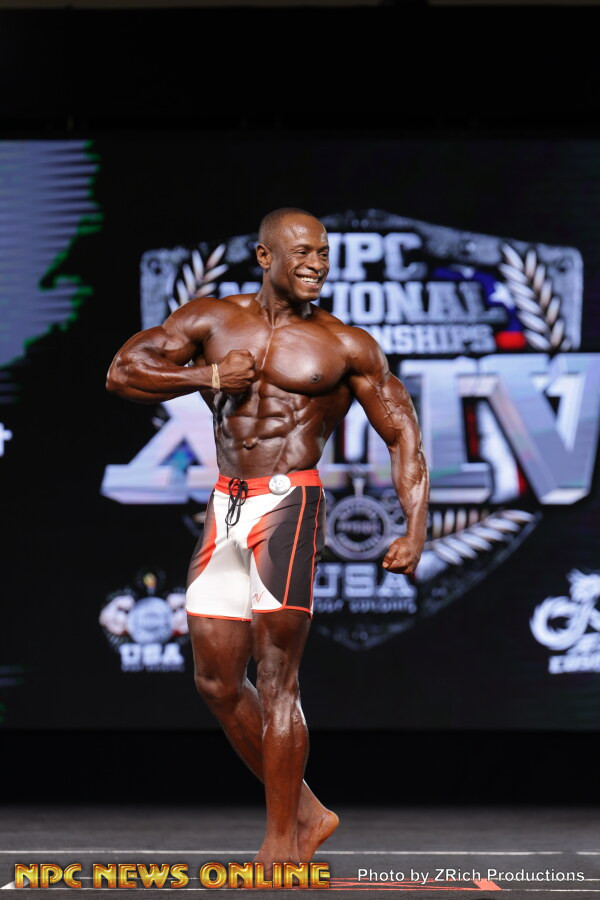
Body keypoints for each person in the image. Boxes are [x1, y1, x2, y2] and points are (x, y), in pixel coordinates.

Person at [106, 207, 429, 872]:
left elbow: (402, 433)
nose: (316, 264)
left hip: (290, 501)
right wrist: (206, 377)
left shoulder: (345, 345)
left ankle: (283, 841)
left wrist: (415, 528)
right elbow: (123, 372)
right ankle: (308, 811)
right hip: (226, 503)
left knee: (278, 678)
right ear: (265, 257)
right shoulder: (211, 320)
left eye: (324, 253)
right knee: (217, 682)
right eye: (303, 252)